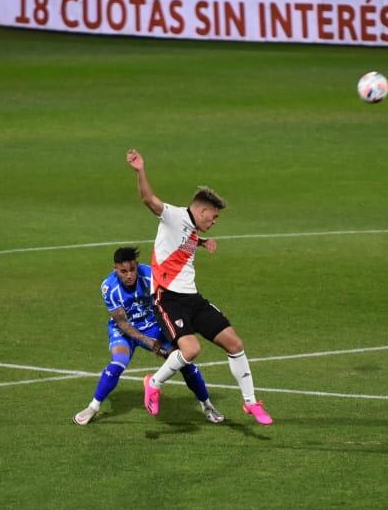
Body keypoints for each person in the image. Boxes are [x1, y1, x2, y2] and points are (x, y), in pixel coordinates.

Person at [125, 149, 273, 425]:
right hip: (167, 299)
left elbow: (185, 240)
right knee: (191, 350)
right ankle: (153, 383)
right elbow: (148, 199)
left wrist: (204, 243)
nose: (214, 222)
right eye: (213, 217)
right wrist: (140, 170)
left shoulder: (192, 230)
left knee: (235, 343)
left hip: (193, 299)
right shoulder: (173, 216)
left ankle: (251, 403)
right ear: (202, 210)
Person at [73, 246, 225, 426]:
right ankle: (93, 407)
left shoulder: (151, 276)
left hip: (153, 325)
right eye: (123, 271)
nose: (129, 275)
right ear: (115, 269)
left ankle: (207, 406)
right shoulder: (109, 288)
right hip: (125, 330)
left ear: (137, 265)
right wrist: (147, 341)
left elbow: (169, 302)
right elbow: (122, 323)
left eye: (132, 269)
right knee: (118, 363)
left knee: (184, 361)